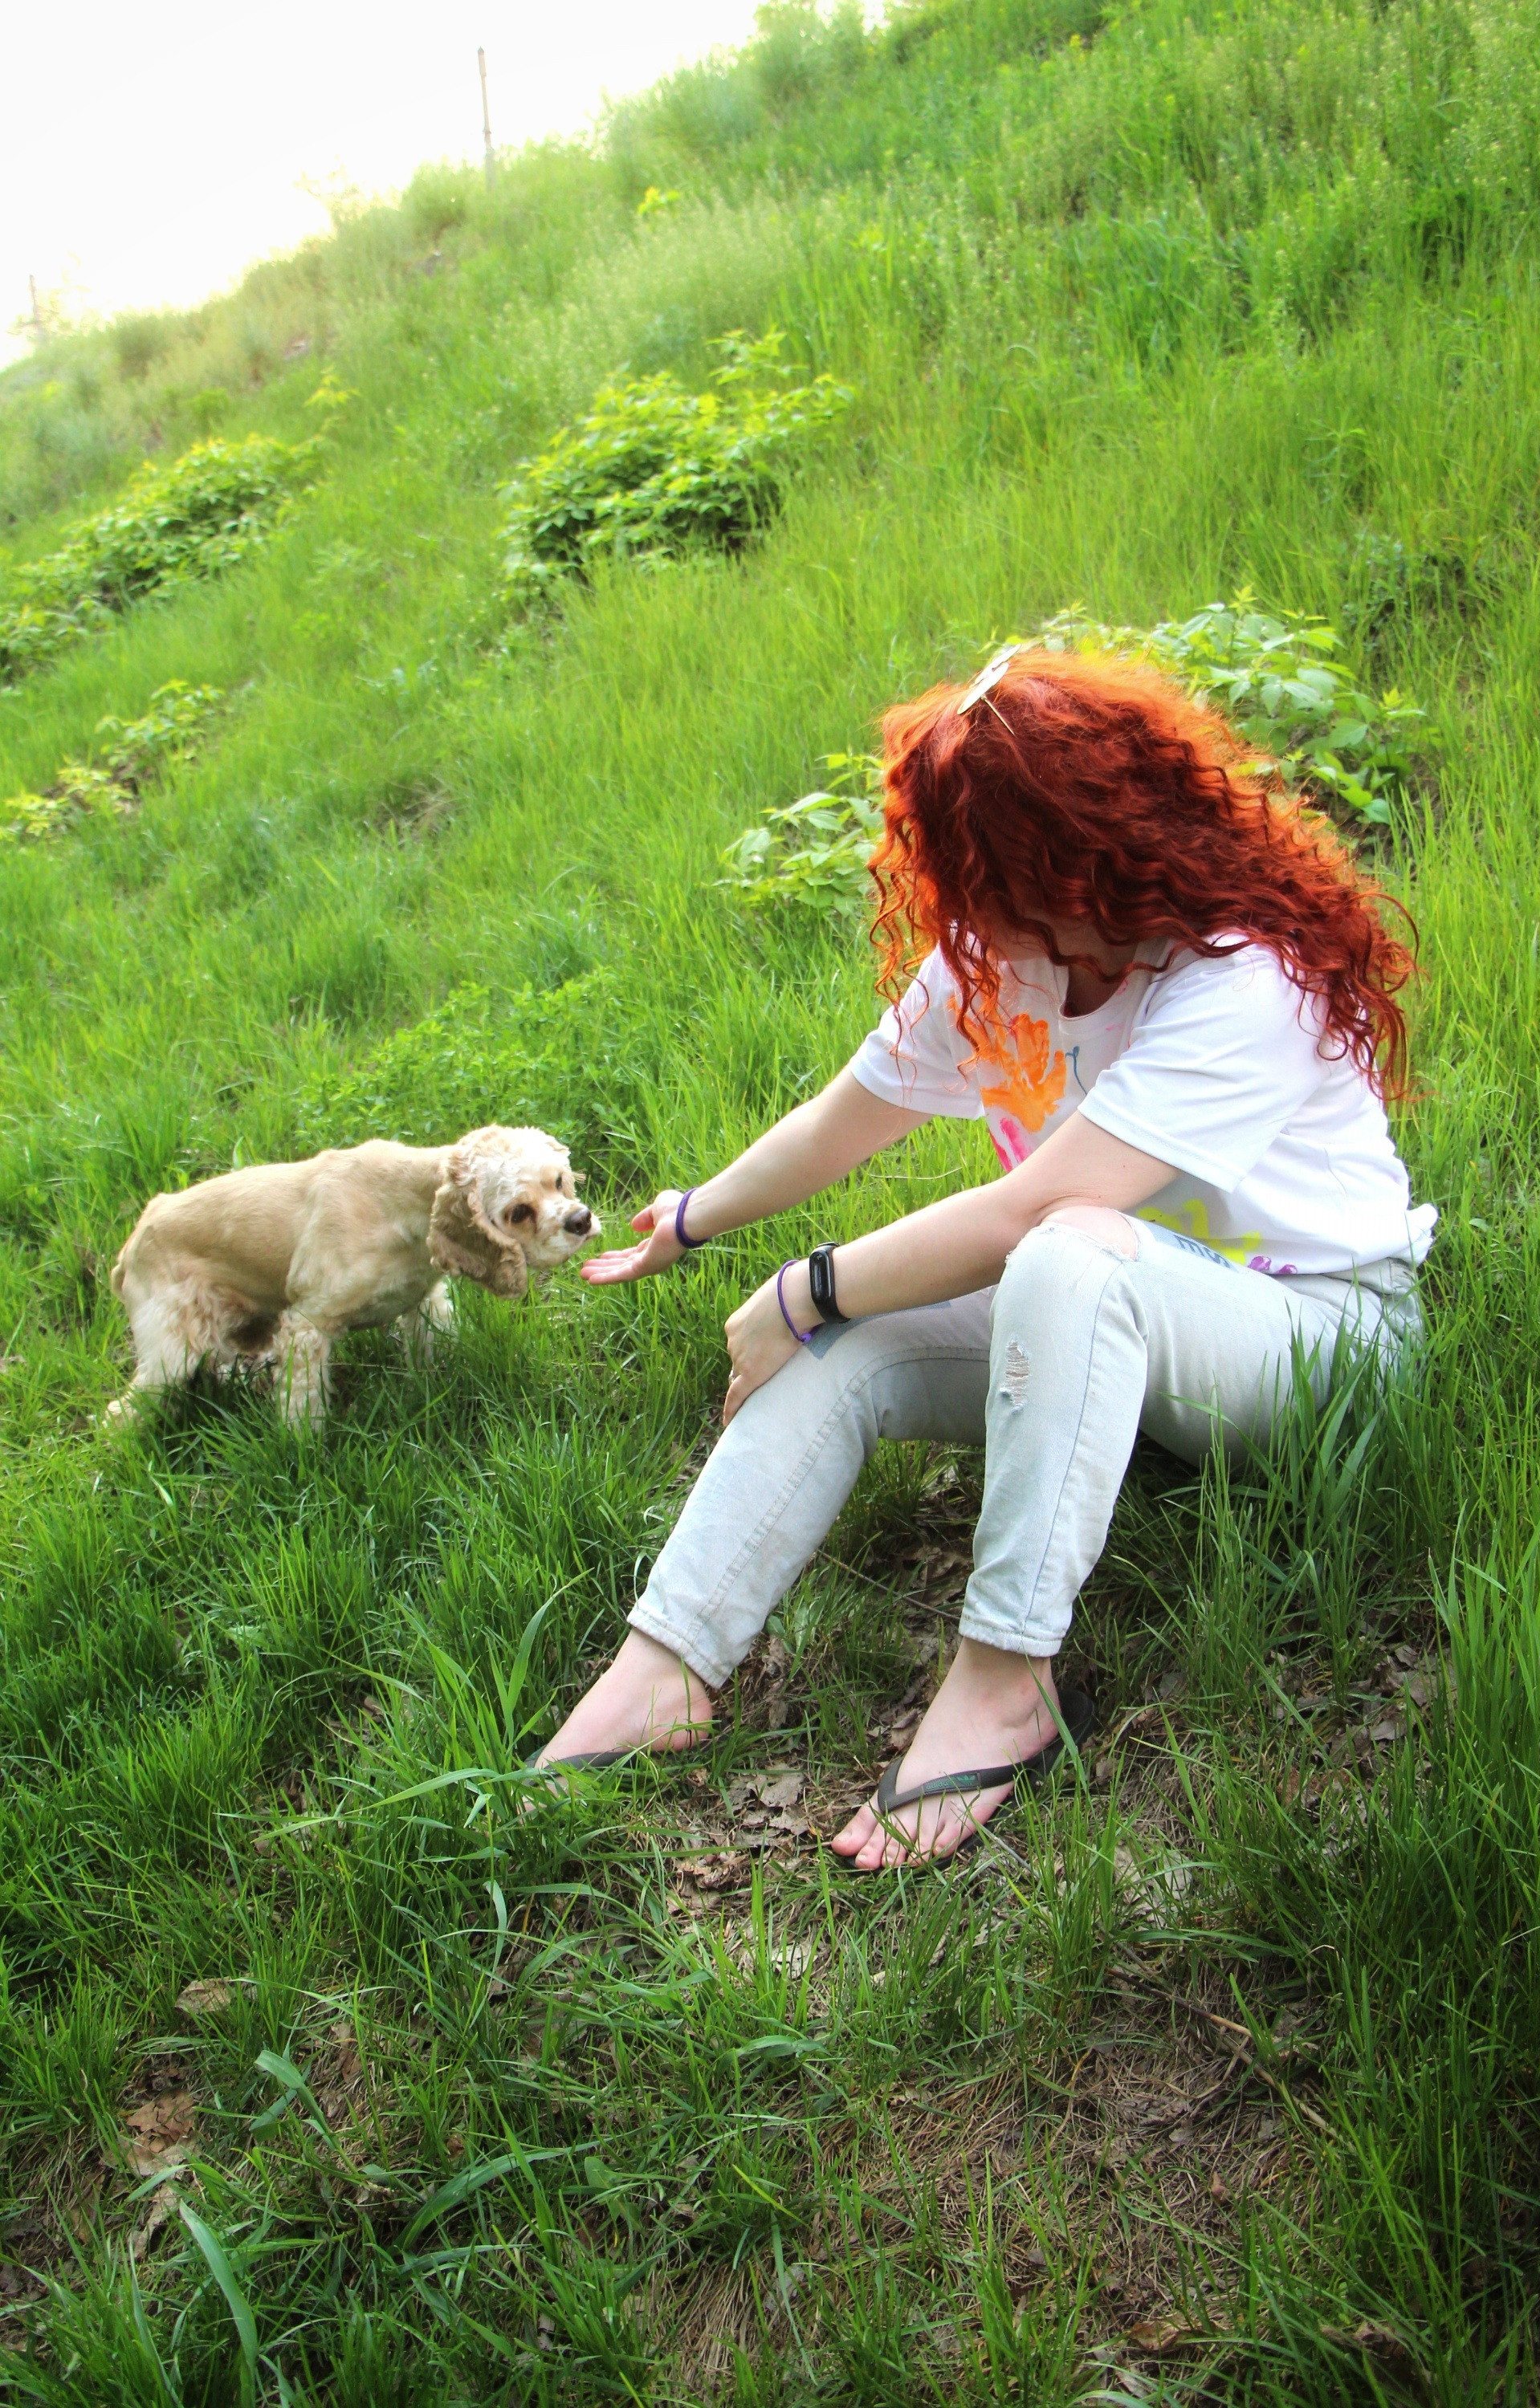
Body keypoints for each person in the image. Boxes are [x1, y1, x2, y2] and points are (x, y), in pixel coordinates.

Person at [535, 646, 1432, 1869]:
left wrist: (801, 1286)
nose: (969, 914)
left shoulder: (1242, 980)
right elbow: (841, 1120)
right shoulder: (1004, 965)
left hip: (1324, 1350)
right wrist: (694, 1219)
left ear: (1083, 858)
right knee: (859, 1332)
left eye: (991, 879)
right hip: (1115, 1322)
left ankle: (1007, 1681)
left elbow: (1032, 1216)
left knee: (1049, 1252)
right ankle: (663, 1672)